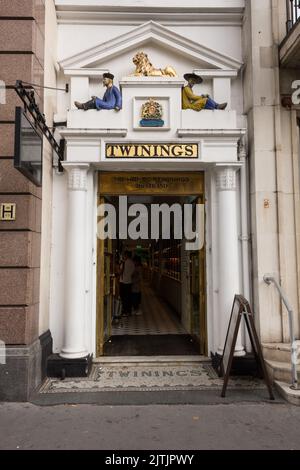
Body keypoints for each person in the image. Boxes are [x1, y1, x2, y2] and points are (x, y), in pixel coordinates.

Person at [119, 251, 135, 316]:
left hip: (123, 282)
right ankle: (128, 311)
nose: (123, 256)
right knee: (128, 297)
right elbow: (133, 273)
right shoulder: (132, 263)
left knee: (123, 297)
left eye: (124, 255)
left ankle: (124, 311)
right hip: (129, 282)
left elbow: (120, 272)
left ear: (126, 255)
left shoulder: (124, 262)